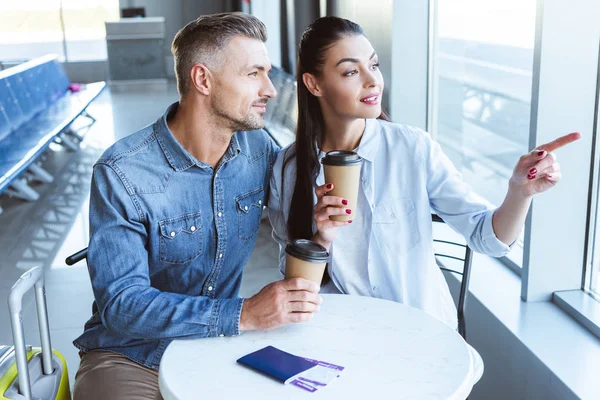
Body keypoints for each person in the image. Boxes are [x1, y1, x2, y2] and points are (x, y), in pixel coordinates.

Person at [268, 16, 580, 329]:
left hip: (423, 335)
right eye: (351, 71)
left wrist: (519, 190)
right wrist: (322, 238)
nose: (372, 80)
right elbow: (295, 291)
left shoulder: (412, 149)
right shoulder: (288, 168)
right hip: (344, 336)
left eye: (373, 65)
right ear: (314, 84)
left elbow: (488, 239)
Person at [73, 13, 322, 400]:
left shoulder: (259, 152)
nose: (270, 89)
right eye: (253, 73)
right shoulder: (123, 172)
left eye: (268, 73)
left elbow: (299, 221)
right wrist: (241, 314)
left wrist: (323, 225)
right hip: (130, 356)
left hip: (217, 348)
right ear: (203, 80)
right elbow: (121, 304)